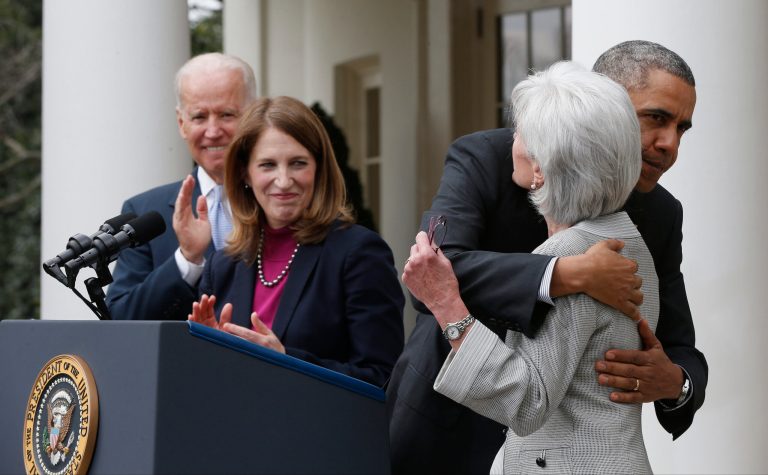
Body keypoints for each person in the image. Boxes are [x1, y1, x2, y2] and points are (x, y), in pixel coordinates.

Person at [387, 40, 708, 474]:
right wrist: (567, 273)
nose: (670, 143)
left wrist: (676, 383)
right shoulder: (491, 157)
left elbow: (677, 341)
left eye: (682, 128)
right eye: (656, 118)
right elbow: (435, 274)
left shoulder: (660, 214)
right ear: (599, 103)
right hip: (446, 433)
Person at [187, 96, 405, 386]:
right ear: (244, 173)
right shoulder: (224, 263)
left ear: (318, 168)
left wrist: (286, 360)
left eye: (298, 163)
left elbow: (384, 379)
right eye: (267, 165)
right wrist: (204, 350)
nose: (284, 180)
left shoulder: (359, 253)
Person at [106, 53, 257, 321]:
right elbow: (121, 318)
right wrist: (187, 260)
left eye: (226, 114)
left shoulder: (282, 201)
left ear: (253, 115)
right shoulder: (144, 213)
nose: (213, 131)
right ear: (181, 123)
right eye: (199, 117)